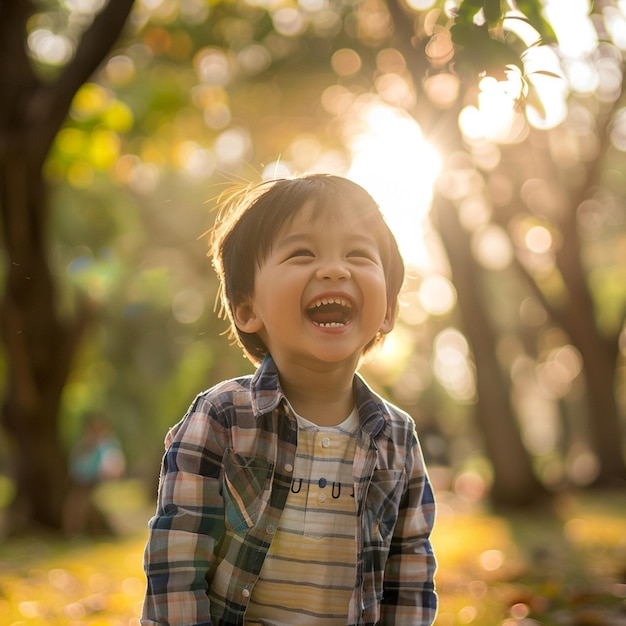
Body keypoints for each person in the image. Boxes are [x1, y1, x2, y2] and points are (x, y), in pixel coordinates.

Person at [141, 174, 437, 625]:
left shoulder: (397, 438)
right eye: (302, 253)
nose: (335, 270)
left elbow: (409, 573)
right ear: (247, 309)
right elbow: (177, 563)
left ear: (390, 309)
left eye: (358, 254)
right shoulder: (222, 418)